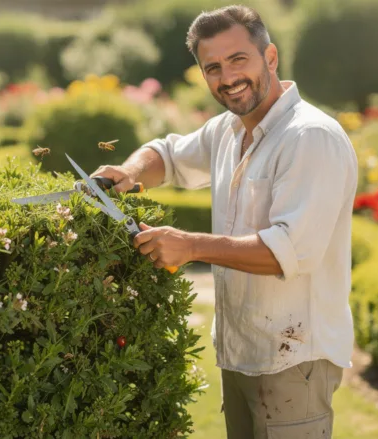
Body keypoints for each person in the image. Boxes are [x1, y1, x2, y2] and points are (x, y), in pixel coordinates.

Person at [90, 4, 358, 438]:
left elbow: (290, 251)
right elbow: (169, 153)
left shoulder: (309, 137)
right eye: (212, 67)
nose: (227, 77)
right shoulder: (228, 129)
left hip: (295, 358)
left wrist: (192, 246)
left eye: (238, 60)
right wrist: (132, 171)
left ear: (269, 58)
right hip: (242, 351)